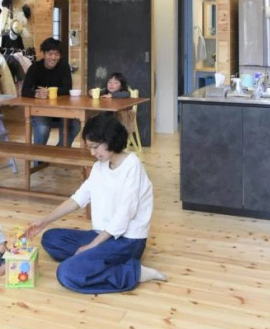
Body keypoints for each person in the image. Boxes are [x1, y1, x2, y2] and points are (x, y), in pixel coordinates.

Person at [24, 114, 166, 293]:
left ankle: (134, 273)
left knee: (66, 273)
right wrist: (44, 221)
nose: (92, 153)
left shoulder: (132, 166)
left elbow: (123, 217)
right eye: (90, 147)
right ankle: (97, 260)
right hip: (102, 235)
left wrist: (91, 246)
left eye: (95, 147)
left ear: (110, 140)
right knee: (50, 238)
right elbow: (77, 199)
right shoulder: (100, 166)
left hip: (127, 241)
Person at [20, 37, 79, 148]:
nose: (53, 57)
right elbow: (24, 91)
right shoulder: (35, 68)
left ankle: (59, 152)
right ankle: (38, 157)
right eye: (50, 54)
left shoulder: (64, 66)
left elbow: (67, 88)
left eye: (56, 54)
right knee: (43, 128)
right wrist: (36, 94)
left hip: (61, 110)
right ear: (43, 54)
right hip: (41, 111)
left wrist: (50, 91)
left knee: (75, 125)